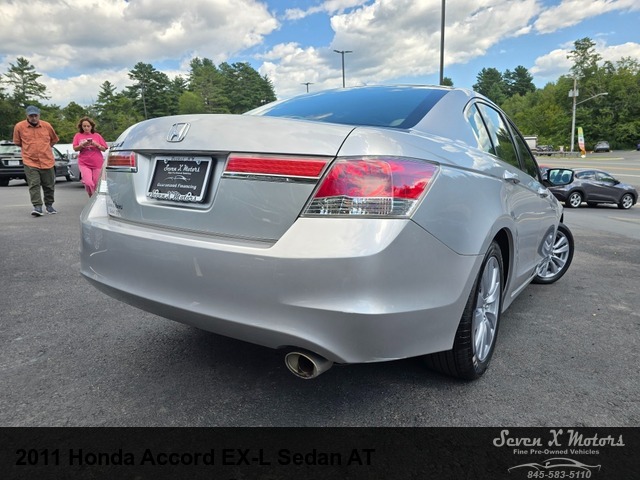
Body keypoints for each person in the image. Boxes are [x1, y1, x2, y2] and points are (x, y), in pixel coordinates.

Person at [12, 105, 60, 216]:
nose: (34, 118)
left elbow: (54, 139)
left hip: (47, 160)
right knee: (34, 184)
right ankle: (37, 207)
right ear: (27, 116)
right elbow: (17, 142)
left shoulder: (47, 126)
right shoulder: (19, 126)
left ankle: (49, 205)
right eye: (31, 116)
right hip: (30, 161)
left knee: (49, 185)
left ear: (39, 115)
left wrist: (45, 148)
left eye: (35, 115)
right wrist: (29, 149)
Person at [72, 117, 108, 197]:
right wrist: (82, 145)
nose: (86, 128)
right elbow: (75, 148)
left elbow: (104, 148)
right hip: (84, 163)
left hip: (97, 163)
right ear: (81, 127)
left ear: (92, 126)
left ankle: (94, 198)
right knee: (88, 183)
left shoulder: (97, 136)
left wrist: (96, 144)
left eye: (88, 126)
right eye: (84, 126)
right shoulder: (78, 136)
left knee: (96, 184)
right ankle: (92, 197)